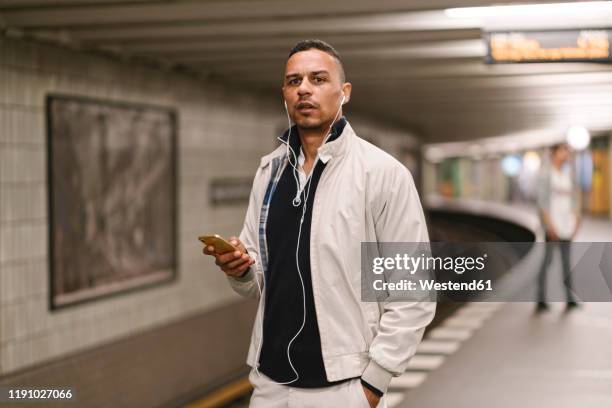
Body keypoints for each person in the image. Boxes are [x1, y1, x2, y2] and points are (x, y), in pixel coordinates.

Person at [203, 39, 435, 407]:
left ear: (344, 93)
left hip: (342, 386)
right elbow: (256, 283)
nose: (304, 89)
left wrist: (373, 384)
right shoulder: (270, 173)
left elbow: (413, 289)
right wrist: (239, 269)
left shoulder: (383, 174)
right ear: (284, 93)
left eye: (318, 78)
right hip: (269, 383)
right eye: (294, 81)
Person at [536, 143, 581, 312]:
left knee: (567, 263)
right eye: (563, 151)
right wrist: (549, 226)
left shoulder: (568, 174)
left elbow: (573, 199)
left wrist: (577, 219)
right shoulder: (546, 175)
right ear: (554, 153)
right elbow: (542, 203)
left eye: (568, 151)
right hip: (552, 227)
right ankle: (540, 298)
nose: (566, 154)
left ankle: (569, 299)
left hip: (566, 226)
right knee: (547, 262)